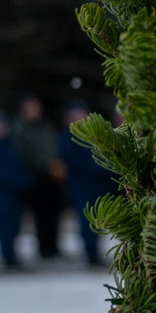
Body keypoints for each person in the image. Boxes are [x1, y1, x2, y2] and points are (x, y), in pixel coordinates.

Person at [11, 94, 66, 260]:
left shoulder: (45, 126)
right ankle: (45, 248)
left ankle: (53, 246)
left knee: (54, 213)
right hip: (35, 177)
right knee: (41, 214)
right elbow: (23, 154)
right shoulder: (20, 128)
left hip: (51, 176)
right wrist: (45, 165)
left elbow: (51, 147)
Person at [60, 100, 113, 266]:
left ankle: (93, 250)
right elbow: (76, 162)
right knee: (87, 219)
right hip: (81, 185)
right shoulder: (67, 138)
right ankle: (90, 252)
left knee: (97, 218)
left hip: (97, 184)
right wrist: (99, 169)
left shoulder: (94, 135)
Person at [0, 106, 32, 270]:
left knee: (14, 225)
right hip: (1, 194)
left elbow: (18, 165)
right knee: (6, 225)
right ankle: (7, 256)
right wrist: (20, 181)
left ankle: (11, 254)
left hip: (13, 194)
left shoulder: (10, 144)